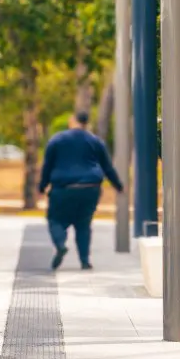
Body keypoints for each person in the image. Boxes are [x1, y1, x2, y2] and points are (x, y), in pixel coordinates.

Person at [38, 111, 123, 270]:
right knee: (83, 224)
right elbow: (107, 167)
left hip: (63, 189)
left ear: (72, 121)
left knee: (55, 220)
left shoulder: (57, 140)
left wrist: (42, 186)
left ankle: (60, 244)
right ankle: (84, 260)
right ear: (87, 123)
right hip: (90, 189)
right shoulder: (95, 141)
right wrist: (118, 185)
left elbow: (47, 166)